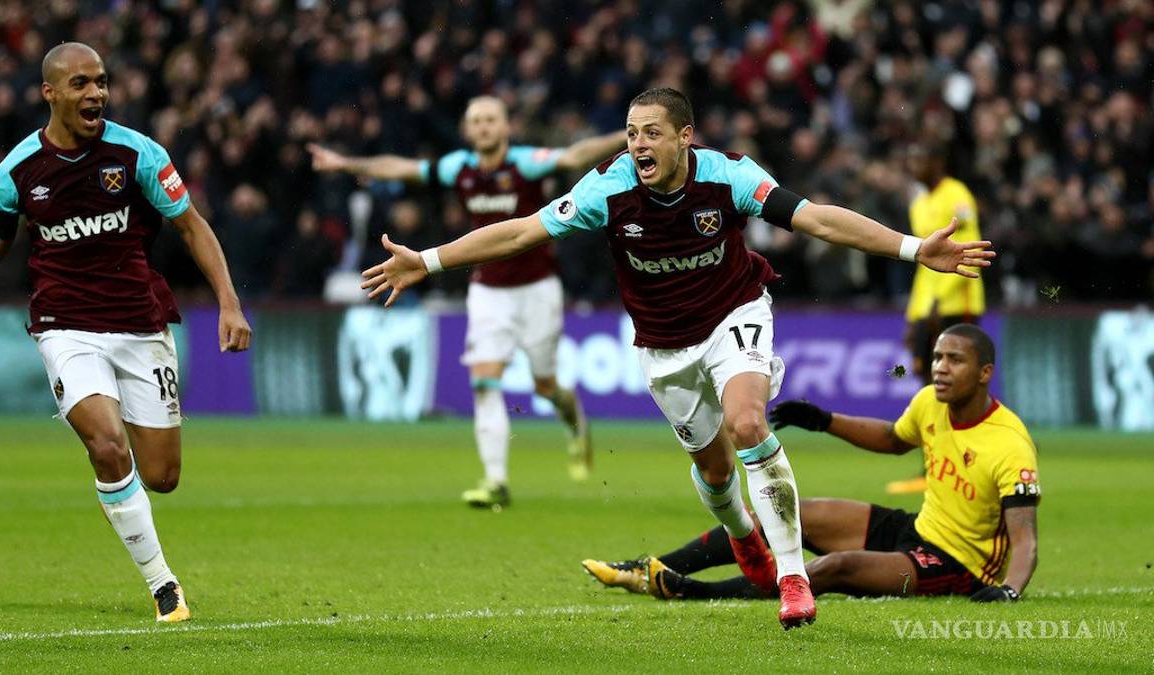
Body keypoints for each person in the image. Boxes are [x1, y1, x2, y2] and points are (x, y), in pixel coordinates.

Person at [360, 87, 993, 628]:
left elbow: (816, 219)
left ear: (685, 137)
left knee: (748, 423)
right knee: (714, 472)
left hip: (734, 315)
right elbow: (523, 230)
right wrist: (429, 260)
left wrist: (913, 249)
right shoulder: (608, 187)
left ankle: (793, 577)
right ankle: (743, 535)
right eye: (632, 133)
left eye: (652, 133)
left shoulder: (729, 175)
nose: (638, 144)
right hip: (664, 345)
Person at [0, 43, 252, 622]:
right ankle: (164, 585)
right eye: (81, 84)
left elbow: (192, 227)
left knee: (162, 476)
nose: (96, 93)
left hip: (139, 323)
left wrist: (228, 302)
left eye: (101, 82)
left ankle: (122, 491)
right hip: (65, 327)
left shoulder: (138, 153)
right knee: (108, 445)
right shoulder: (16, 172)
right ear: (50, 93)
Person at [309, 96, 625, 508]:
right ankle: (496, 482)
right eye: (476, 121)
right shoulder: (458, 168)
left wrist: (626, 137)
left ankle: (575, 423)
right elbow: (401, 168)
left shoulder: (525, 164)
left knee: (545, 386)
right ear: (467, 130)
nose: (484, 127)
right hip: (487, 291)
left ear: (506, 127)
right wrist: (346, 164)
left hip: (538, 289)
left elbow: (574, 156)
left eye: (491, 119)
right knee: (483, 380)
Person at [584, 325, 1039, 604]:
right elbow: (893, 440)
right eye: (938, 357)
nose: (940, 367)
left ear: (985, 373)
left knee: (833, 567)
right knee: (785, 514)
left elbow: (1025, 541)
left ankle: (688, 590)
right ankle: (648, 567)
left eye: (955, 360)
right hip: (919, 528)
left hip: (957, 563)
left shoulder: (1009, 444)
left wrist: (1009, 589)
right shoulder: (930, 402)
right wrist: (823, 420)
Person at [888, 142, 985, 495]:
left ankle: (970, 460)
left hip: (957, 303)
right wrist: (914, 315)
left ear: (938, 161)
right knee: (928, 382)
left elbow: (970, 252)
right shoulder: (919, 202)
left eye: (921, 158)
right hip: (927, 306)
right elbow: (923, 264)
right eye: (911, 158)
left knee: (959, 385)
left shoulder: (956, 195)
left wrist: (939, 302)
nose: (914, 165)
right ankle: (935, 466)